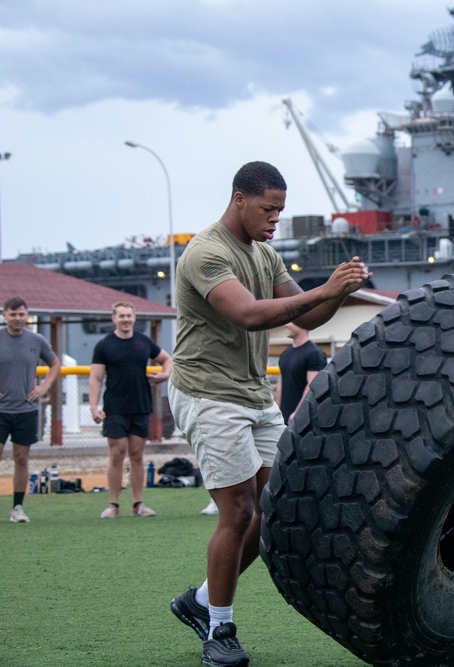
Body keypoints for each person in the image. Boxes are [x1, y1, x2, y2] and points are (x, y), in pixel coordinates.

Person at [167, 161, 370, 667]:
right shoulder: (206, 253)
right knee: (238, 510)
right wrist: (324, 291)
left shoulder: (265, 253)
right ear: (239, 199)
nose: (276, 218)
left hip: (254, 395)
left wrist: (337, 291)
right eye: (269, 208)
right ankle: (220, 629)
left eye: (281, 209)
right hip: (207, 393)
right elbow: (249, 314)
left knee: (281, 508)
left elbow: (302, 313)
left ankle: (200, 602)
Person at [89, 301, 173, 518]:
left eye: (129, 316)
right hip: (115, 408)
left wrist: (165, 374)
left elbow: (167, 360)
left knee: (137, 454)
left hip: (141, 405)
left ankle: (138, 504)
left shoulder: (143, 342)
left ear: (134, 318)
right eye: (122, 316)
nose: (126, 319)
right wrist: (93, 406)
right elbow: (96, 378)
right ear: (114, 318)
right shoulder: (104, 345)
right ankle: (113, 505)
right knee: (116, 454)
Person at [0, 296, 61, 523]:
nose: (17, 318)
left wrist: (44, 386)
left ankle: (17, 508)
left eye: (21, 314)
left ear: (27, 316)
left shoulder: (37, 340)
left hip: (26, 409)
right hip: (0, 410)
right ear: (5, 315)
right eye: (13, 314)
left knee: (21, 458)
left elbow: (55, 364)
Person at [274, 322, 327, 424]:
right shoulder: (285, 354)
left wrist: (298, 413)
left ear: (303, 321)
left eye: (291, 322)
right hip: (284, 418)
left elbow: (312, 386)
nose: (286, 325)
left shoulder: (315, 354)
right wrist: (276, 412)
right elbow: (280, 385)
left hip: (304, 421)